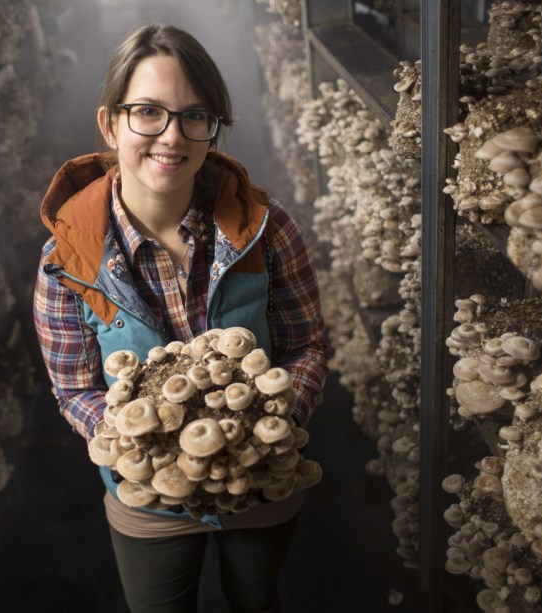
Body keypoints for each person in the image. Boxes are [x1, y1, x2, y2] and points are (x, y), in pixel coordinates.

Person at [33, 23, 328, 613]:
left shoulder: (267, 233)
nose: (171, 136)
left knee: (258, 598)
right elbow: (74, 390)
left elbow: (307, 349)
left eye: (194, 116)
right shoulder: (66, 264)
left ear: (212, 129)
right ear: (110, 124)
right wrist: (149, 450)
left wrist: (260, 428)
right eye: (147, 112)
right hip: (147, 496)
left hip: (260, 478)